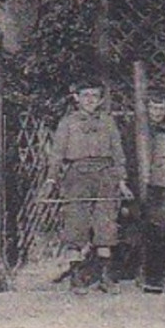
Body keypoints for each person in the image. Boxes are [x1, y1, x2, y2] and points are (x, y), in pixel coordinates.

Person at [45, 75, 131, 292]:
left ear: (101, 100)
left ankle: (105, 277)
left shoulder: (108, 122)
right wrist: (51, 179)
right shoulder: (68, 122)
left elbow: (118, 153)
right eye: (85, 96)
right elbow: (56, 154)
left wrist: (121, 181)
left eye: (95, 96)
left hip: (105, 175)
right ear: (77, 98)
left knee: (106, 225)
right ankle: (77, 277)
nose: (90, 100)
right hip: (77, 176)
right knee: (76, 224)